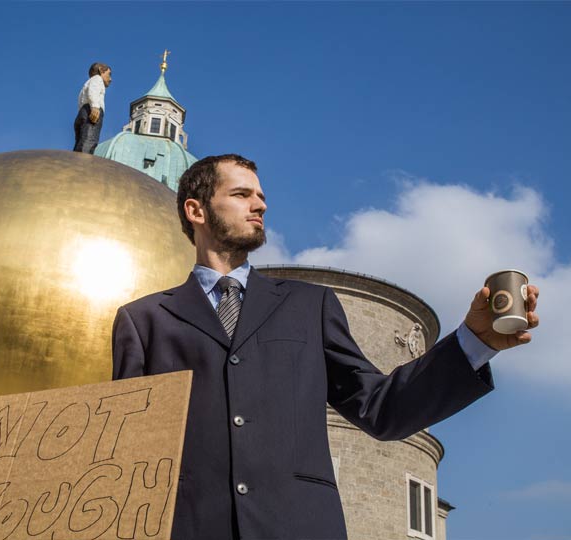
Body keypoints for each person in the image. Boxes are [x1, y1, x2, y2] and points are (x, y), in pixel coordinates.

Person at [112, 154, 540, 540]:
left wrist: (475, 342)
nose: (260, 205)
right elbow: (124, 457)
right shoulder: (145, 320)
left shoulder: (309, 306)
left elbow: (381, 407)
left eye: (261, 196)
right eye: (241, 194)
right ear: (196, 210)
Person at [73, 62, 112, 154]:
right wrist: (95, 107)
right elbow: (93, 91)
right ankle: (83, 162)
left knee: (80, 142)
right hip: (91, 112)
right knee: (89, 140)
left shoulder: (86, 84)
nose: (110, 79)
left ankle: (75, 160)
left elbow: (81, 101)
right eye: (109, 74)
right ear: (101, 71)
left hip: (82, 113)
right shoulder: (97, 79)